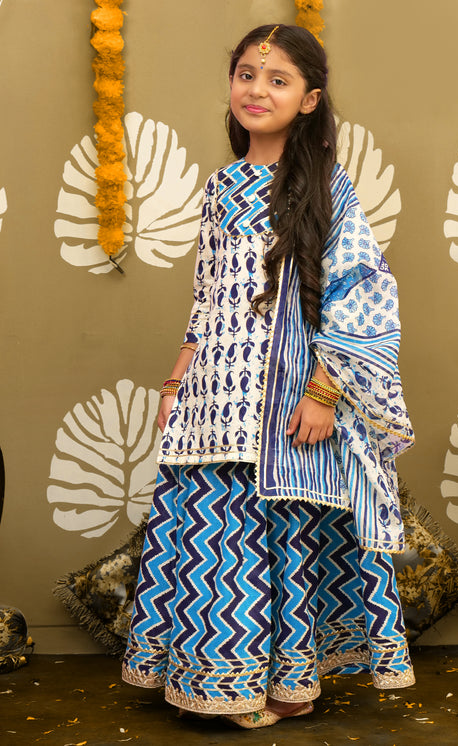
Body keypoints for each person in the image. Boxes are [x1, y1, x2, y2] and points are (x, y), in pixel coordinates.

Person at [122, 23, 415, 729]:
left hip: (285, 401)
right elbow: (208, 297)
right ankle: (221, 684)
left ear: (309, 99)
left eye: (277, 79)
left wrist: (323, 391)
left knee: (278, 540)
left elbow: (364, 291)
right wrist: (175, 382)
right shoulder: (221, 185)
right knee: (215, 540)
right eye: (246, 75)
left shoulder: (324, 188)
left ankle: (289, 683)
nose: (257, 90)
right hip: (213, 398)